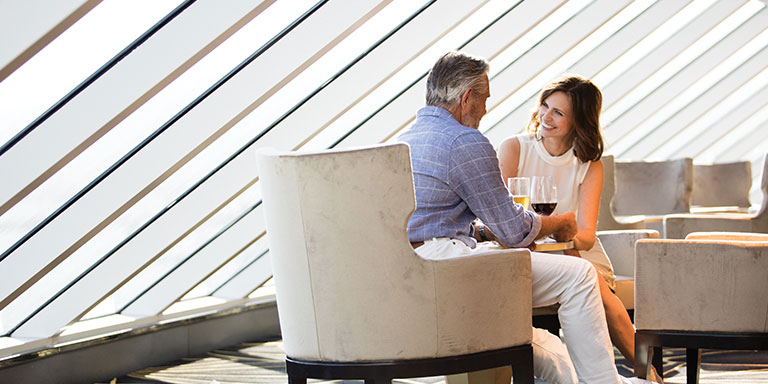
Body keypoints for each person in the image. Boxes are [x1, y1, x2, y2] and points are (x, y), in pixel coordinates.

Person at [398, 51, 655, 384]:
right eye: (485, 99)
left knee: (545, 344)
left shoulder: (405, 140)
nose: (486, 108)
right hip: (449, 271)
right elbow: (514, 229)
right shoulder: (464, 141)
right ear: (466, 98)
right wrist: (557, 224)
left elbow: (452, 221)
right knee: (578, 277)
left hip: (412, 271)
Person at [497, 75, 663, 384]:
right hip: (527, 253)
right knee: (589, 284)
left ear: (578, 121)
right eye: (545, 106)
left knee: (595, 284)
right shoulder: (515, 149)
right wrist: (553, 225)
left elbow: (586, 234)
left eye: (558, 112)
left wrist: (562, 231)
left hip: (580, 253)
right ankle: (636, 374)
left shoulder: (589, 164)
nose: (546, 117)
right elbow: (498, 217)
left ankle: (646, 372)